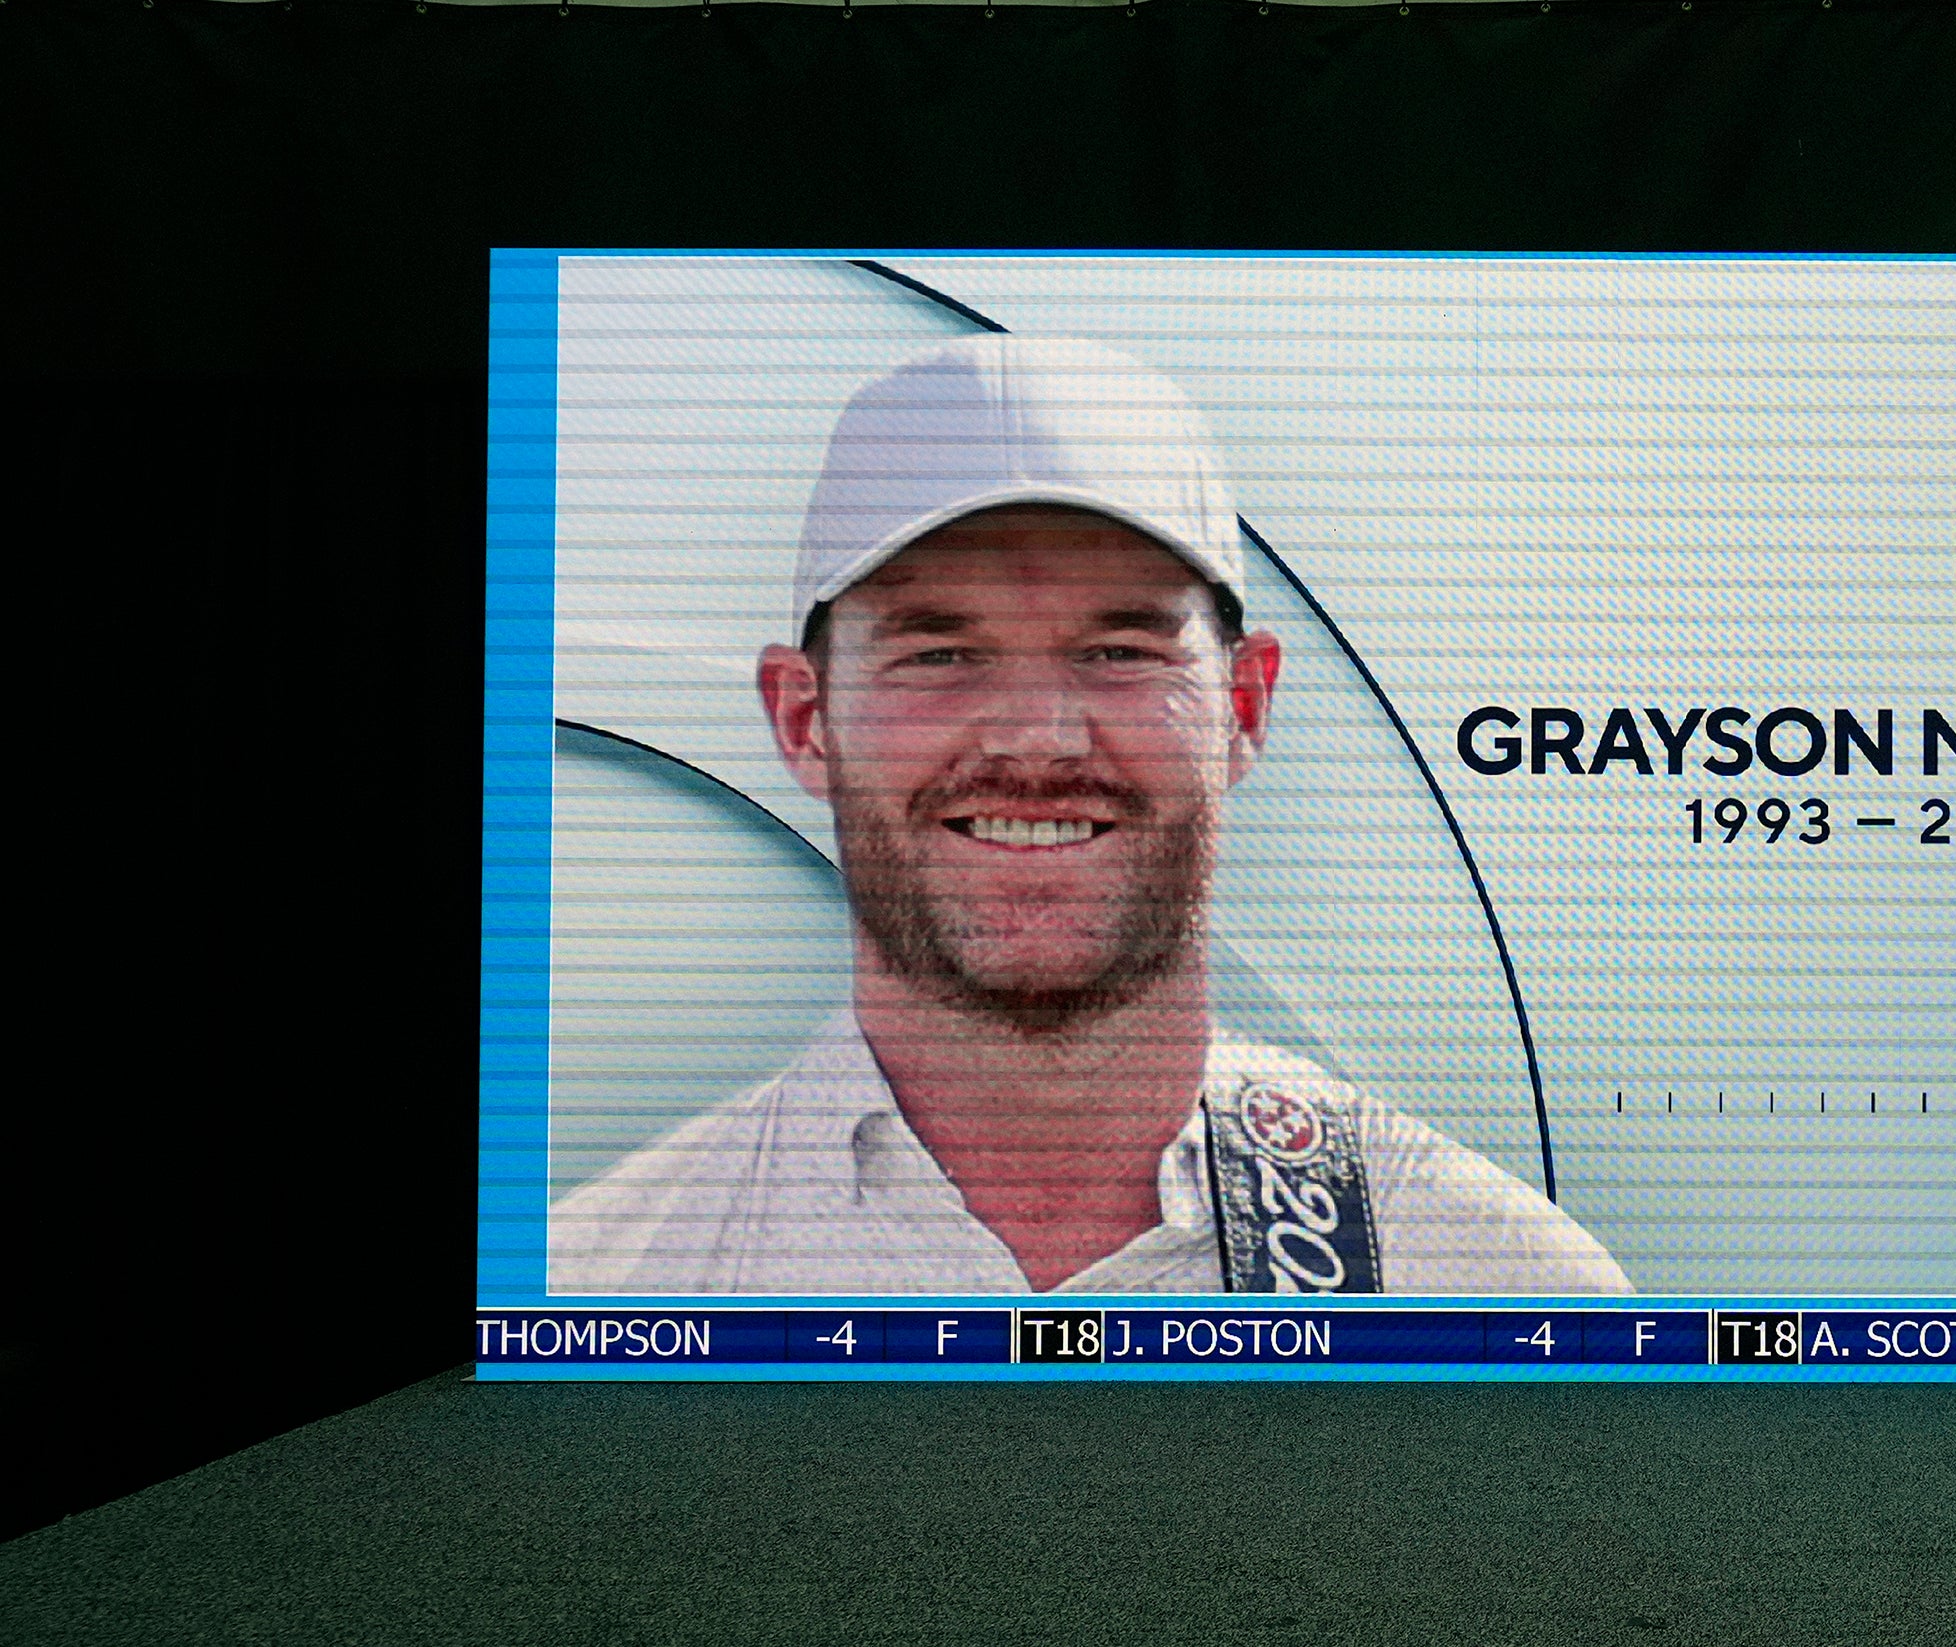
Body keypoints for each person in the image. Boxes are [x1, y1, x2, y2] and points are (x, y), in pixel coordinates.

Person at [550, 334, 1625, 1297]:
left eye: (1120, 651)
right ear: (804, 717)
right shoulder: (597, 1283)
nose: (1036, 738)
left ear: (1244, 707)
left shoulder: (1497, 1285)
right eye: (941, 653)